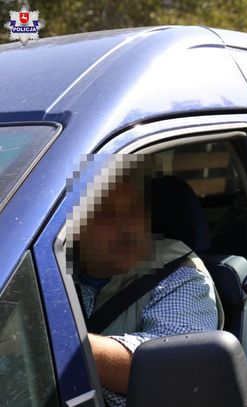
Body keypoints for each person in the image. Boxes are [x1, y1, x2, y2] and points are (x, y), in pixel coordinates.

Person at [67, 155, 220, 407]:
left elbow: (171, 370)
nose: (126, 227)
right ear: (73, 226)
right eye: (106, 213)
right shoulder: (47, 270)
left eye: (134, 210)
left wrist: (46, 338)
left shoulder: (180, 274)